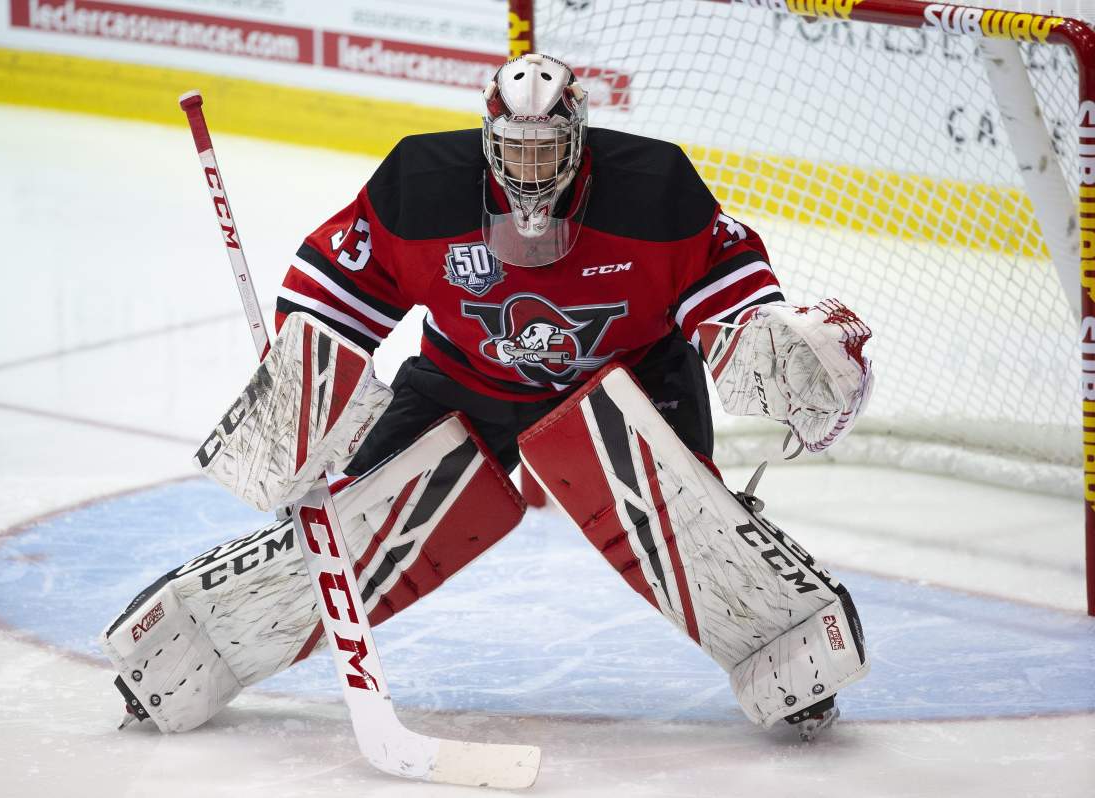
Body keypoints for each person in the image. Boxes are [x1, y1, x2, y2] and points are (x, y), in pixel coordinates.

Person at [101, 53, 874, 742]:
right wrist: (306, 388)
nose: (531, 166)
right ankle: (194, 647)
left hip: (629, 380)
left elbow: (730, 292)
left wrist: (776, 349)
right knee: (353, 521)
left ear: (579, 139)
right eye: (514, 148)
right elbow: (331, 293)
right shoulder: (422, 186)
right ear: (486, 139)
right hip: (463, 379)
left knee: (690, 522)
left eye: (548, 148)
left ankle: (786, 646)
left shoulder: (655, 188)